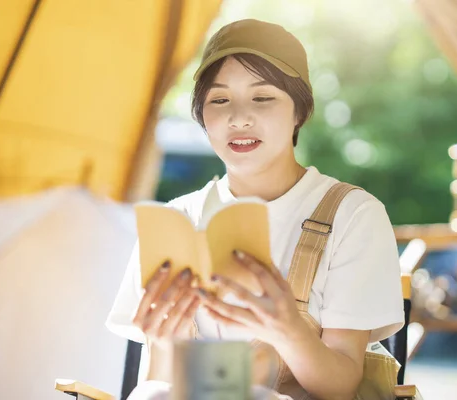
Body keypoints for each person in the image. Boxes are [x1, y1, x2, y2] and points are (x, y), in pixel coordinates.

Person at [106, 18, 404, 400]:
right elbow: (157, 381)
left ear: (301, 111)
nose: (239, 117)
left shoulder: (353, 215)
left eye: (262, 97)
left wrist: (288, 329)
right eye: (219, 100)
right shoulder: (175, 220)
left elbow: (342, 386)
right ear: (201, 116)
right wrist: (161, 343)